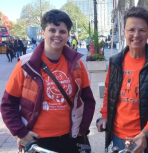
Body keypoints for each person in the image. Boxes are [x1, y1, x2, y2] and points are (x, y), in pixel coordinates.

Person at [1, 9, 96, 153]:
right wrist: (21, 132)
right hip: (38, 141)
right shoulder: (25, 65)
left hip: (70, 139)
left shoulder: (76, 64)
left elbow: (88, 100)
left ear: (68, 35)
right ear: (43, 33)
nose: (57, 35)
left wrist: (82, 129)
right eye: (52, 30)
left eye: (62, 31)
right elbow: (8, 104)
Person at [96, 6, 148, 153]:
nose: (136, 35)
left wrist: (145, 132)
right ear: (124, 32)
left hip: (147, 139)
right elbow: (108, 93)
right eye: (131, 30)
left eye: (142, 30)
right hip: (118, 136)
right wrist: (104, 116)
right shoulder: (115, 61)